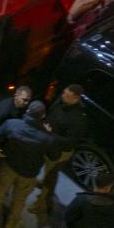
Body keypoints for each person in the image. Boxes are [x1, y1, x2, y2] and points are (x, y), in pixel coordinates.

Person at [0, 100, 58, 228]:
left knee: (0, 190)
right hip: (29, 174)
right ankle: (10, 226)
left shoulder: (13, 124)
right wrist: (50, 134)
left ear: (27, 111)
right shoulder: (47, 138)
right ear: (43, 116)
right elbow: (54, 156)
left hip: (9, 166)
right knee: (19, 200)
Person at [30, 84, 90, 215]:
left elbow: (70, 141)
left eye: (67, 96)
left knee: (51, 176)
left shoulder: (79, 119)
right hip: (48, 142)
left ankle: (42, 204)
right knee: (45, 168)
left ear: (76, 98)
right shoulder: (61, 100)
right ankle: (42, 181)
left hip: (60, 151)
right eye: (63, 93)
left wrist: (51, 134)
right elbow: (52, 112)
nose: (63, 96)